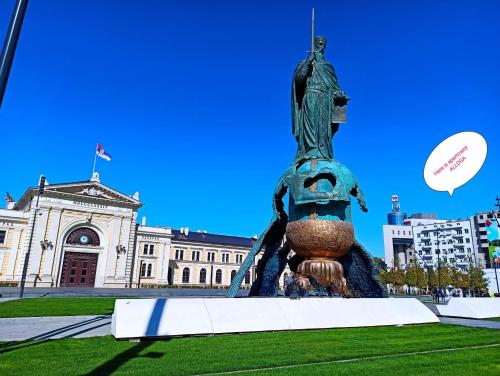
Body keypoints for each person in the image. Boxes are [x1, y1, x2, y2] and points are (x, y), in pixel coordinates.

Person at [291, 36, 348, 164]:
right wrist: (308, 61)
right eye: (318, 44)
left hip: (325, 100)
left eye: (323, 44)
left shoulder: (328, 66)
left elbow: (334, 87)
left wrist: (339, 94)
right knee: (311, 125)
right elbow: (299, 80)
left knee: (323, 129)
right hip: (311, 96)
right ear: (313, 44)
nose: (320, 46)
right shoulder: (304, 63)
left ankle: (324, 152)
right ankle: (310, 151)